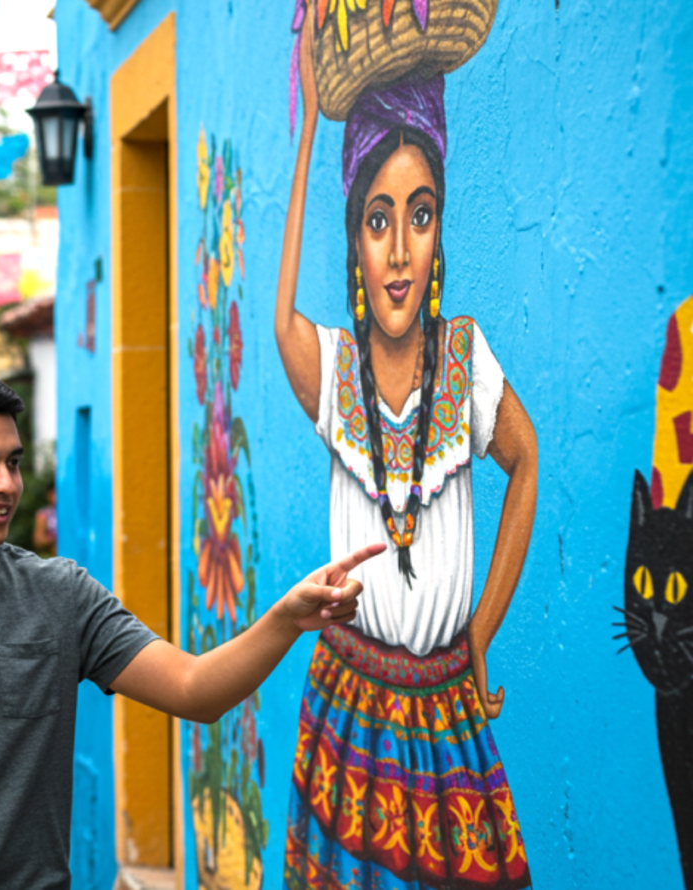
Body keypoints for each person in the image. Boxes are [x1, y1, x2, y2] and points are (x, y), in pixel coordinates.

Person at [0, 365, 384, 890]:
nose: (6, 485)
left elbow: (196, 691)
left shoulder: (61, 594)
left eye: (13, 463)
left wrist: (283, 621)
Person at [272, 24, 539, 889]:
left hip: (449, 706)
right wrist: (311, 130)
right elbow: (281, 324)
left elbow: (525, 463)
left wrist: (483, 633)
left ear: (439, 232)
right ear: (352, 238)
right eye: (376, 220)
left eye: (419, 216)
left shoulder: (466, 360)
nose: (397, 251)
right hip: (350, 698)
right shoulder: (336, 369)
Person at [31, 482, 57, 558]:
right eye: (53, 493)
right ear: (48, 495)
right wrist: (55, 537)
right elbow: (38, 541)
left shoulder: (71, 513)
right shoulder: (43, 514)